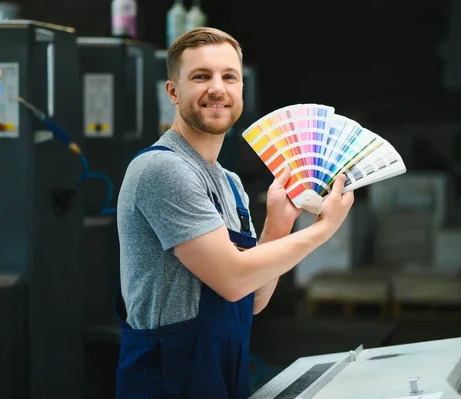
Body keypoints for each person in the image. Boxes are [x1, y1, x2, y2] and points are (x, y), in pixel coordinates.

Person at [114, 27, 354, 399]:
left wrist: (279, 224)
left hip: (222, 373)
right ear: (173, 92)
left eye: (229, 76)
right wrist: (322, 230)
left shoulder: (230, 183)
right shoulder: (164, 170)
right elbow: (232, 279)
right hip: (167, 380)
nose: (217, 88)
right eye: (200, 76)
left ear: (241, 90)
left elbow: (252, 299)